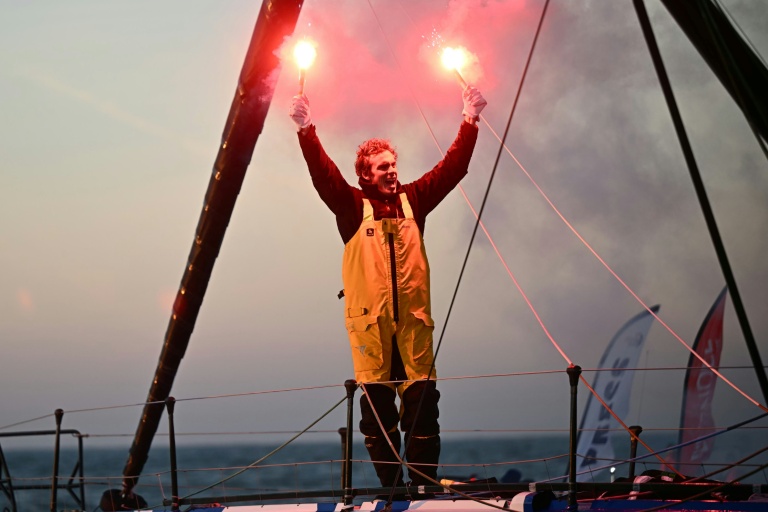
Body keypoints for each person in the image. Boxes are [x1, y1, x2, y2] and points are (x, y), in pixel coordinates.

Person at [289, 86, 486, 491]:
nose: (392, 171)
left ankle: (423, 487)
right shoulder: (350, 206)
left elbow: (452, 169)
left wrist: (470, 119)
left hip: (414, 327)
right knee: (377, 418)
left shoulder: (416, 200)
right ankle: (393, 490)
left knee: (424, 413)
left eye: (393, 164)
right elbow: (322, 175)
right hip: (371, 331)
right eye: (382, 167)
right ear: (365, 174)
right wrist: (306, 129)